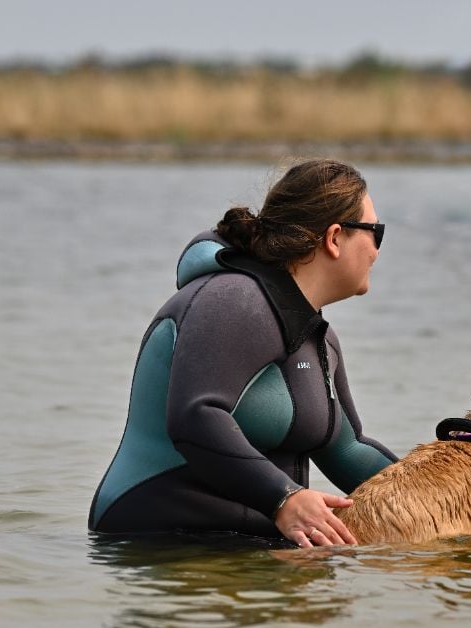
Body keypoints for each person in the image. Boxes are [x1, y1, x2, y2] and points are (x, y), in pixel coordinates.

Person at [88, 159, 397, 547]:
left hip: (244, 547)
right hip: (158, 541)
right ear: (335, 238)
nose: (377, 251)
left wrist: (449, 496)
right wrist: (285, 498)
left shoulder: (319, 338)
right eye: (376, 233)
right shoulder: (233, 300)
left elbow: (346, 449)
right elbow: (196, 417)